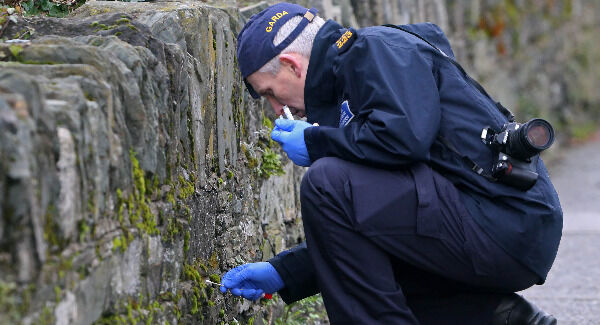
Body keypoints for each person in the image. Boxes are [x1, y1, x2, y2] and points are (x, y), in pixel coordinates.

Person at [220, 3, 562, 324]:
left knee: (327, 183)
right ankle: (497, 316)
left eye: (269, 93)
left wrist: (316, 143)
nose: (276, 109)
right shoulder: (356, 74)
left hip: (504, 223)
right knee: (367, 260)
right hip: (499, 229)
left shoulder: (376, 51)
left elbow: (405, 138)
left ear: (292, 65)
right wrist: (285, 272)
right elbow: (378, 220)